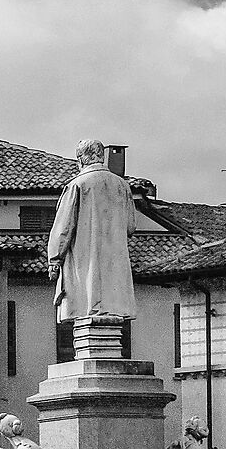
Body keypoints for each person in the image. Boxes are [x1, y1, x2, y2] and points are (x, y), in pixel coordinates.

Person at [47, 139, 138, 325]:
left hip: (84, 259)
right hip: (114, 261)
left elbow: (63, 228)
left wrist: (54, 260)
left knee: (87, 296)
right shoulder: (122, 186)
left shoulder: (77, 185)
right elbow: (131, 226)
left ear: (80, 159)